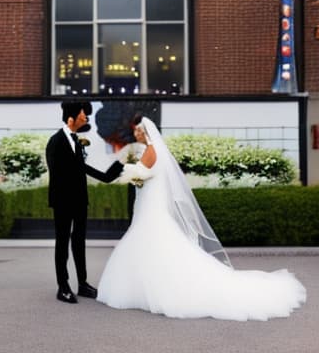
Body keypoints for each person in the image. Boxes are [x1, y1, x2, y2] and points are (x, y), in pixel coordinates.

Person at [97, 116, 307, 321]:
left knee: (151, 239)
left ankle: (153, 288)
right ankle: (143, 288)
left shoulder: (151, 151)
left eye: (138, 131)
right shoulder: (154, 150)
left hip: (151, 205)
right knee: (152, 240)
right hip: (151, 202)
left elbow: (142, 173)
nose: (135, 134)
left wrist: (127, 170)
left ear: (145, 132)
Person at [46, 101, 124, 304]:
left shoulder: (76, 141)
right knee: (62, 243)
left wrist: (118, 167)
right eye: (83, 115)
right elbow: (57, 176)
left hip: (80, 201)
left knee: (79, 242)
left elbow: (84, 170)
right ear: (71, 118)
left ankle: (82, 283)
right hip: (63, 202)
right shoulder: (56, 141)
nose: (87, 118)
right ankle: (62, 286)